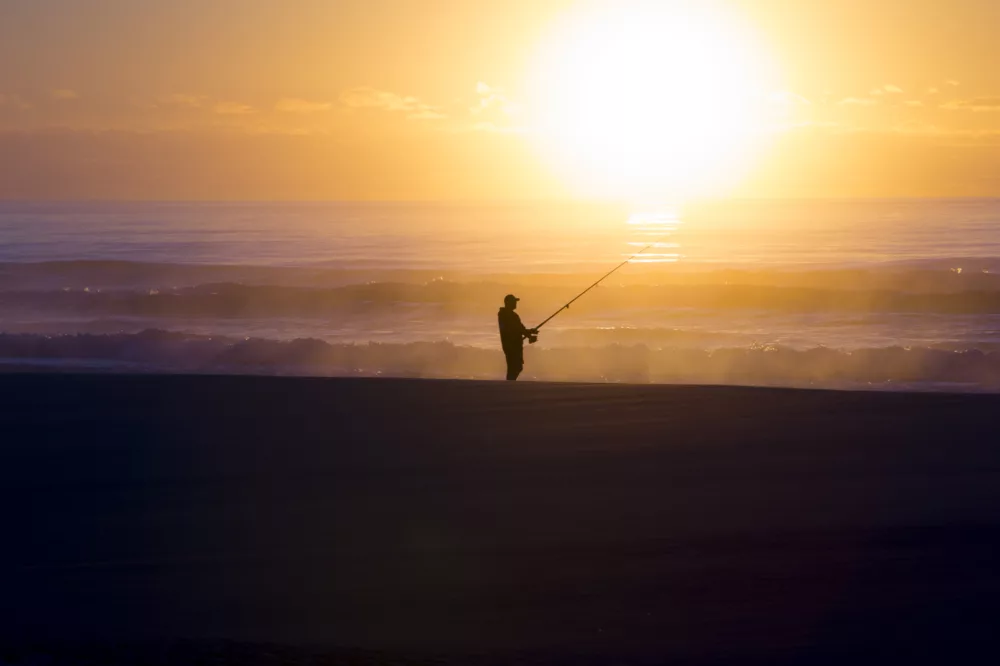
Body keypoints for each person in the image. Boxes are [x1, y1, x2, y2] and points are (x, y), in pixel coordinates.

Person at [497, 294, 537, 381]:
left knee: (515, 367)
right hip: (512, 346)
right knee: (515, 367)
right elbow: (518, 329)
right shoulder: (509, 315)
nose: (516, 304)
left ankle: (510, 383)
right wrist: (529, 334)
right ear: (509, 303)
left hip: (511, 345)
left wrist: (529, 333)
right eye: (514, 302)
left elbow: (520, 329)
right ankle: (510, 383)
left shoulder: (505, 315)